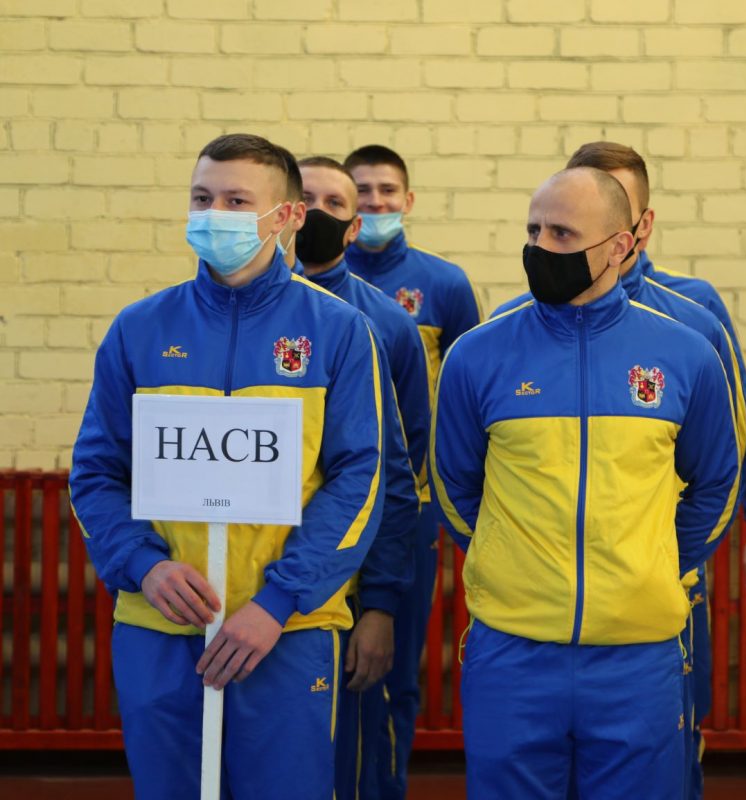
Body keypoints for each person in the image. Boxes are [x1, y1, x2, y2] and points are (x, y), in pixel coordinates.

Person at [69, 133, 386, 800]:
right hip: (161, 625)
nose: (214, 214)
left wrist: (278, 601)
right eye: (202, 198)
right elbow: (96, 473)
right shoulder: (139, 328)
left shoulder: (339, 331)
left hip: (289, 630)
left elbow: (359, 480)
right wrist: (145, 566)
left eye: (237, 201)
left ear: (288, 216)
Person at [432, 167, 742, 799]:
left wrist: (652, 566)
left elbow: (717, 483)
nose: (540, 247)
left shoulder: (686, 354)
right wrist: (512, 559)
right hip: (513, 652)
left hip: (639, 656)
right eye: (533, 230)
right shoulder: (477, 354)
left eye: (563, 233)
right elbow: (454, 485)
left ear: (620, 246)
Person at [278, 151, 429, 800]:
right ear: (286, 214)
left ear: (353, 224)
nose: (319, 213)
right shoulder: (245, 312)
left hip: (357, 576)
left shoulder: (386, 324)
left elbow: (403, 474)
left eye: (334, 204)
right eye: (307, 200)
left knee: (365, 734)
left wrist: (381, 603)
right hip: (266, 575)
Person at [341, 144, 482, 796]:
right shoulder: (307, 280)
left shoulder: (443, 285)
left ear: (409, 200)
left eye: (387, 191)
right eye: (361, 192)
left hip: (409, 509)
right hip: (321, 505)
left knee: (389, 673)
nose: (375, 203)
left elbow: (469, 399)